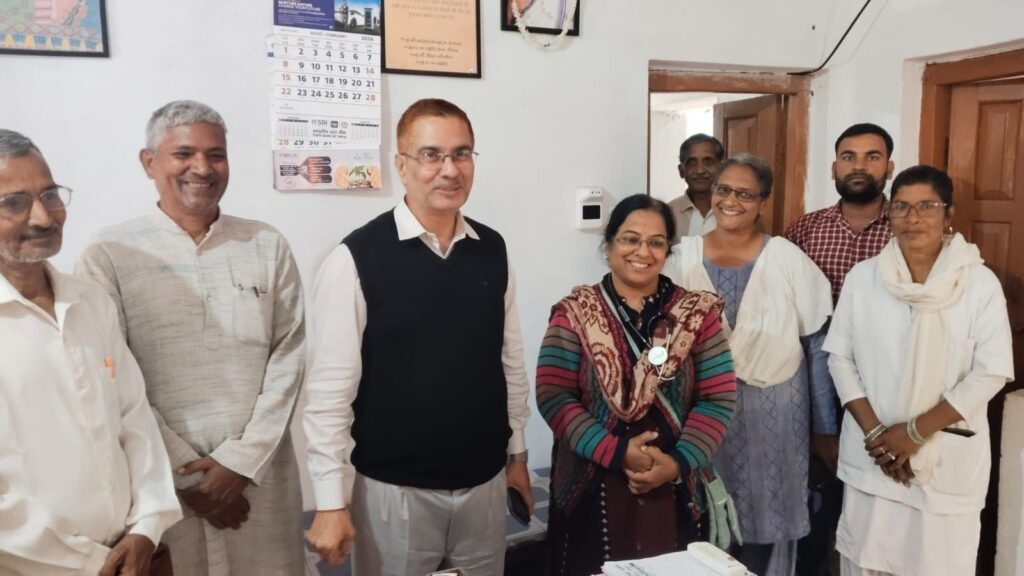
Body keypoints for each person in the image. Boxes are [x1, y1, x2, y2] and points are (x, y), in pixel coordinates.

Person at [303, 98, 532, 576]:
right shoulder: (355, 259)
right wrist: (329, 500)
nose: (450, 169)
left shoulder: (493, 249)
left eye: (462, 153)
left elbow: (509, 360)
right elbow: (329, 393)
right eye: (431, 155)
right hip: (394, 492)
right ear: (402, 165)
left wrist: (517, 455)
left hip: (484, 483)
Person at [76, 101, 307, 574]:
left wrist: (239, 464)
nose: (202, 168)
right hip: (160, 486)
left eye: (215, 155)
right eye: (183, 154)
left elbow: (289, 355)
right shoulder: (108, 254)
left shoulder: (266, 244)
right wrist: (189, 477)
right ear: (149, 162)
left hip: (259, 480)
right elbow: (110, 375)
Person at [0, 129, 181, 575]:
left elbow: (134, 418)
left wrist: (147, 526)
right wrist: (89, 561)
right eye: (14, 202)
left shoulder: (90, 301)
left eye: (49, 195)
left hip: (134, 555)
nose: (43, 217)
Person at [824, 165, 1014, 575]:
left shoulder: (979, 284)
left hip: (942, 460)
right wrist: (877, 434)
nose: (913, 218)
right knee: (865, 561)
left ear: (948, 215)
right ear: (889, 214)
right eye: (901, 207)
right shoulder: (864, 278)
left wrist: (912, 433)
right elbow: (840, 358)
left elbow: (990, 372)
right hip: (874, 456)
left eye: (927, 206)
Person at [536, 193, 737, 576]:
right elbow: (553, 395)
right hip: (589, 487)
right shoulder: (575, 313)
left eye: (656, 242)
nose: (642, 251)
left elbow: (718, 398)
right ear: (608, 245)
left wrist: (676, 463)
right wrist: (615, 452)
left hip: (674, 486)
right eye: (630, 239)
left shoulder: (697, 316)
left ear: (667, 250)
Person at [675, 154, 833, 576]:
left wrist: (825, 429)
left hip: (777, 412)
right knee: (705, 516)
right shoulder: (683, 257)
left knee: (769, 515)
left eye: (745, 194)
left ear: (763, 201)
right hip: (703, 411)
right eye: (724, 190)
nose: (731, 201)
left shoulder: (786, 257)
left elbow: (817, 345)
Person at [783, 123, 895, 576]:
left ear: (889, 167)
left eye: (872, 156)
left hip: (886, 386)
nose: (859, 166)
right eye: (849, 156)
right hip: (816, 388)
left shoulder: (907, 230)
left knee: (876, 499)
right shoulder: (804, 232)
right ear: (834, 167)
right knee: (817, 499)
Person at [667, 133, 725, 238]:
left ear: (721, 168)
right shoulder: (668, 213)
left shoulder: (733, 210)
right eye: (692, 163)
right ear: (681, 171)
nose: (700, 170)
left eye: (708, 162)